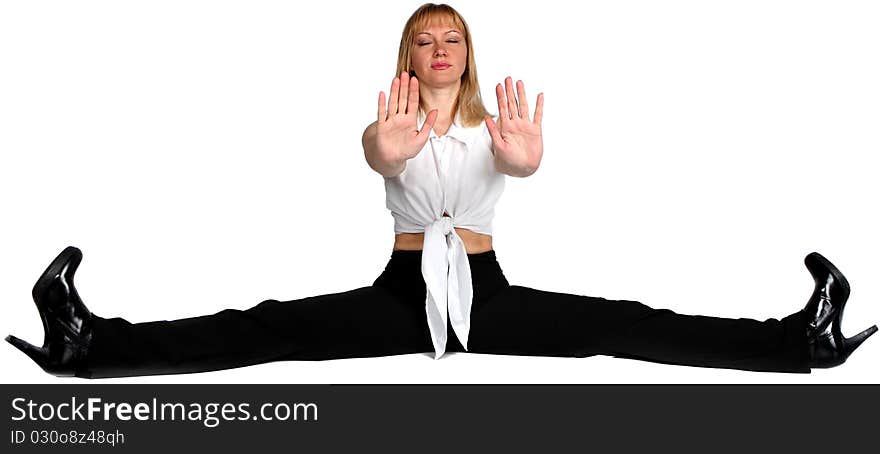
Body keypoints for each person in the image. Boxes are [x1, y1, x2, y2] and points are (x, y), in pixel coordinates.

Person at [6, 3, 877, 378]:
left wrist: (527, 159)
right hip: (401, 297)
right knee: (261, 329)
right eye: (424, 37)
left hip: (489, 299)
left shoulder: (495, 129)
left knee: (625, 322)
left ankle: (802, 344)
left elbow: (521, 170)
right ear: (408, 55)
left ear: (467, 51)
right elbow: (379, 160)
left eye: (452, 35)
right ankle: (87, 346)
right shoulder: (390, 121)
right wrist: (384, 151)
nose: (439, 46)